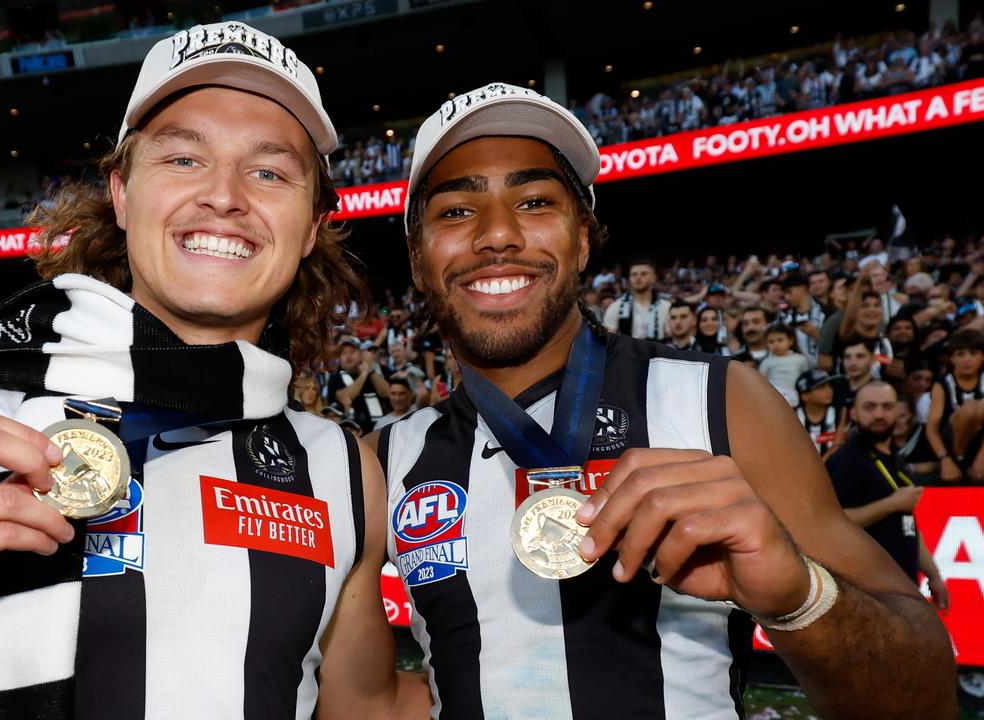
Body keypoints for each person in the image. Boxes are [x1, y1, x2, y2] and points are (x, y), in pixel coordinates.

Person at [0, 22, 425, 720]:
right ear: (122, 194)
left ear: (311, 225)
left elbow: (364, 708)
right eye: (184, 159)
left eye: (269, 171)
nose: (225, 195)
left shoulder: (340, 465)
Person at [376, 81, 954, 719]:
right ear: (417, 257)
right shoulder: (385, 457)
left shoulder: (724, 399)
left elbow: (924, 698)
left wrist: (797, 595)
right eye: (456, 211)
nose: (498, 234)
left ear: (585, 238)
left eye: (536, 200)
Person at [825, 382, 949, 608]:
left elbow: (907, 524)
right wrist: (891, 504)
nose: (879, 414)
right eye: (870, 407)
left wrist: (933, 575)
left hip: (905, 587)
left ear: (898, 411)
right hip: (866, 594)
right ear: (855, 412)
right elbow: (833, 522)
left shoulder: (896, 457)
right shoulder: (846, 460)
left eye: (887, 406)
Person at [926, 327, 984, 483]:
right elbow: (932, 427)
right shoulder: (943, 384)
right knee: (972, 409)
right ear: (951, 358)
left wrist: (981, 459)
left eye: (973, 353)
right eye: (960, 354)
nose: (967, 359)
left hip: (979, 444)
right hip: (950, 444)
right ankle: (959, 459)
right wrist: (945, 459)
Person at [328, 337, 391, 433]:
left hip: (380, 428)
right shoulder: (335, 378)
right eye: (344, 353)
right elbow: (345, 397)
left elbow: (387, 393)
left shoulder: (375, 373)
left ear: (361, 354)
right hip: (353, 432)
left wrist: (370, 371)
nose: (348, 356)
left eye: (352, 352)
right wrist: (364, 374)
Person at [603, 259, 670, 340]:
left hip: (659, 351)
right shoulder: (616, 307)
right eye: (634, 274)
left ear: (654, 278)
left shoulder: (666, 307)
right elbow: (608, 340)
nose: (638, 277)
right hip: (626, 351)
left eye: (643, 274)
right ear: (629, 278)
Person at [796, 368, 847, 457]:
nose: (829, 390)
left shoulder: (839, 412)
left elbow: (837, 445)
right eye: (822, 387)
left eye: (829, 385)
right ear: (805, 395)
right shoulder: (793, 416)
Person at [760, 323, 811, 406]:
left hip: (794, 396)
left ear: (790, 340)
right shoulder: (766, 362)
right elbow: (761, 381)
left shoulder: (800, 359)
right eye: (771, 342)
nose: (776, 344)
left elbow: (805, 378)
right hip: (773, 397)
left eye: (780, 340)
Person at [781, 273, 826, 362]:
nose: (787, 297)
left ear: (804, 288)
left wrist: (817, 335)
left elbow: (836, 345)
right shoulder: (785, 319)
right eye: (784, 294)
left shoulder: (825, 312)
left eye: (789, 292)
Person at [833, 337, 877, 410]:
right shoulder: (833, 391)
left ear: (873, 359)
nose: (853, 363)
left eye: (860, 356)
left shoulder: (881, 391)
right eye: (847, 357)